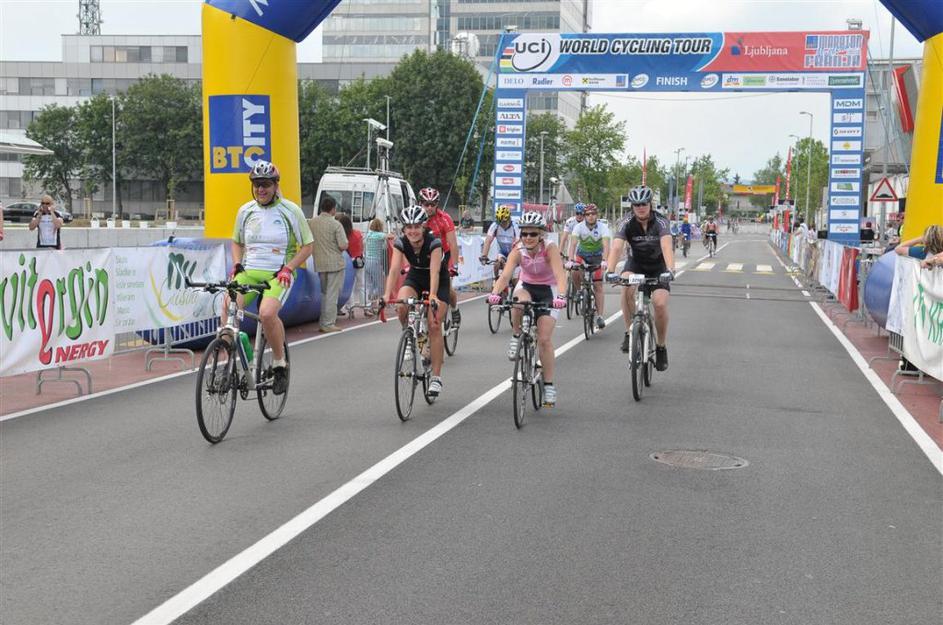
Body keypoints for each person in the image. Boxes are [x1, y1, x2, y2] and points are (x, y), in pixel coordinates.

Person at [228, 161, 313, 394]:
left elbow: (308, 246)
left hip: (278, 272)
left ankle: (279, 363)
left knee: (266, 314)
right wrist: (237, 263)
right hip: (250, 271)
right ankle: (242, 356)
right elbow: (236, 241)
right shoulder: (245, 211)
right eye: (256, 185)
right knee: (228, 308)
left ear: (276, 186)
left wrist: (289, 268)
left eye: (265, 184)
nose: (260, 189)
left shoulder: (290, 211)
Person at [488, 211, 567, 406]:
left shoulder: (550, 248)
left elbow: (560, 275)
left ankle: (548, 385)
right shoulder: (518, 249)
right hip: (527, 286)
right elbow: (505, 276)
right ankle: (517, 335)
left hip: (548, 289)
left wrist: (561, 296)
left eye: (533, 234)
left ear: (541, 234)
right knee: (518, 302)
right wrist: (495, 293)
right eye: (524, 234)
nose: (528, 237)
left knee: (544, 339)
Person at [383, 205, 450, 397]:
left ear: (424, 226)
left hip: (438, 280)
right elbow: (394, 270)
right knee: (402, 304)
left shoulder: (433, 242)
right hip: (416, 277)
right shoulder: (401, 242)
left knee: (434, 324)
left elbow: (435, 272)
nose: (413, 231)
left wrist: (433, 295)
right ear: (404, 229)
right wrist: (387, 295)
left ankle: (436, 378)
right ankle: (410, 335)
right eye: (409, 227)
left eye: (417, 226)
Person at [605, 185, 675, 371]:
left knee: (659, 303)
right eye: (636, 204)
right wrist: (610, 270)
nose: (640, 207)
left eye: (644, 203)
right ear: (632, 206)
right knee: (626, 286)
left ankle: (661, 346)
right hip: (636, 264)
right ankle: (629, 332)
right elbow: (617, 247)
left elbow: (666, 246)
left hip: (659, 267)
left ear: (650, 204)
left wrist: (670, 269)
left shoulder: (661, 222)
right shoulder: (626, 222)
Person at [419, 187, 461, 329]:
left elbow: (453, 243)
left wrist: (454, 266)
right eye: (426, 204)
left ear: (437, 204)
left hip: (444, 255)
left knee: (447, 287)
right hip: (425, 255)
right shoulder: (418, 218)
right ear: (420, 204)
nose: (429, 208)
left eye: (433, 204)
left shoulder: (444, 218)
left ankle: (454, 309)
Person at [565, 202, 610, 329]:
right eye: (588, 214)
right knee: (574, 271)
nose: (590, 216)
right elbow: (573, 245)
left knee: (598, 285)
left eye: (593, 214)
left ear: (597, 215)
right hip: (582, 255)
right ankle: (579, 291)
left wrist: (605, 260)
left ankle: (600, 316)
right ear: (584, 216)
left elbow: (606, 245)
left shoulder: (603, 227)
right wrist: (570, 260)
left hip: (597, 257)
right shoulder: (578, 227)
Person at [308, 195, 349, 333]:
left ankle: (322, 322)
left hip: (319, 262)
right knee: (332, 294)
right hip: (335, 263)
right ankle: (328, 323)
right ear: (333, 209)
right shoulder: (336, 224)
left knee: (324, 293)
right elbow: (343, 245)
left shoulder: (311, 223)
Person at [336, 213, 369, 318]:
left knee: (349, 285)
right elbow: (362, 247)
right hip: (359, 260)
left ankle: (350, 308)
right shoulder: (357, 233)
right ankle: (366, 306)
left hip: (347, 261)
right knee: (362, 285)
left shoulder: (341, 236)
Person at [480, 205, 520, 281]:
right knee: (497, 264)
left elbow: (518, 243)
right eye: (500, 221)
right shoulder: (495, 225)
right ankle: (497, 281)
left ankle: (511, 282)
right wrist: (484, 256)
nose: (501, 224)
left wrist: (513, 259)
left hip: (514, 251)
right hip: (502, 252)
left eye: (504, 222)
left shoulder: (515, 226)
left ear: (509, 219)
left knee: (514, 280)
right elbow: (488, 241)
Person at [364, 217, 391, 309]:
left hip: (367, 261)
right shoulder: (379, 235)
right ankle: (373, 299)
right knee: (380, 285)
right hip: (375, 261)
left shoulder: (369, 234)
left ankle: (369, 302)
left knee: (370, 284)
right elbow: (389, 236)